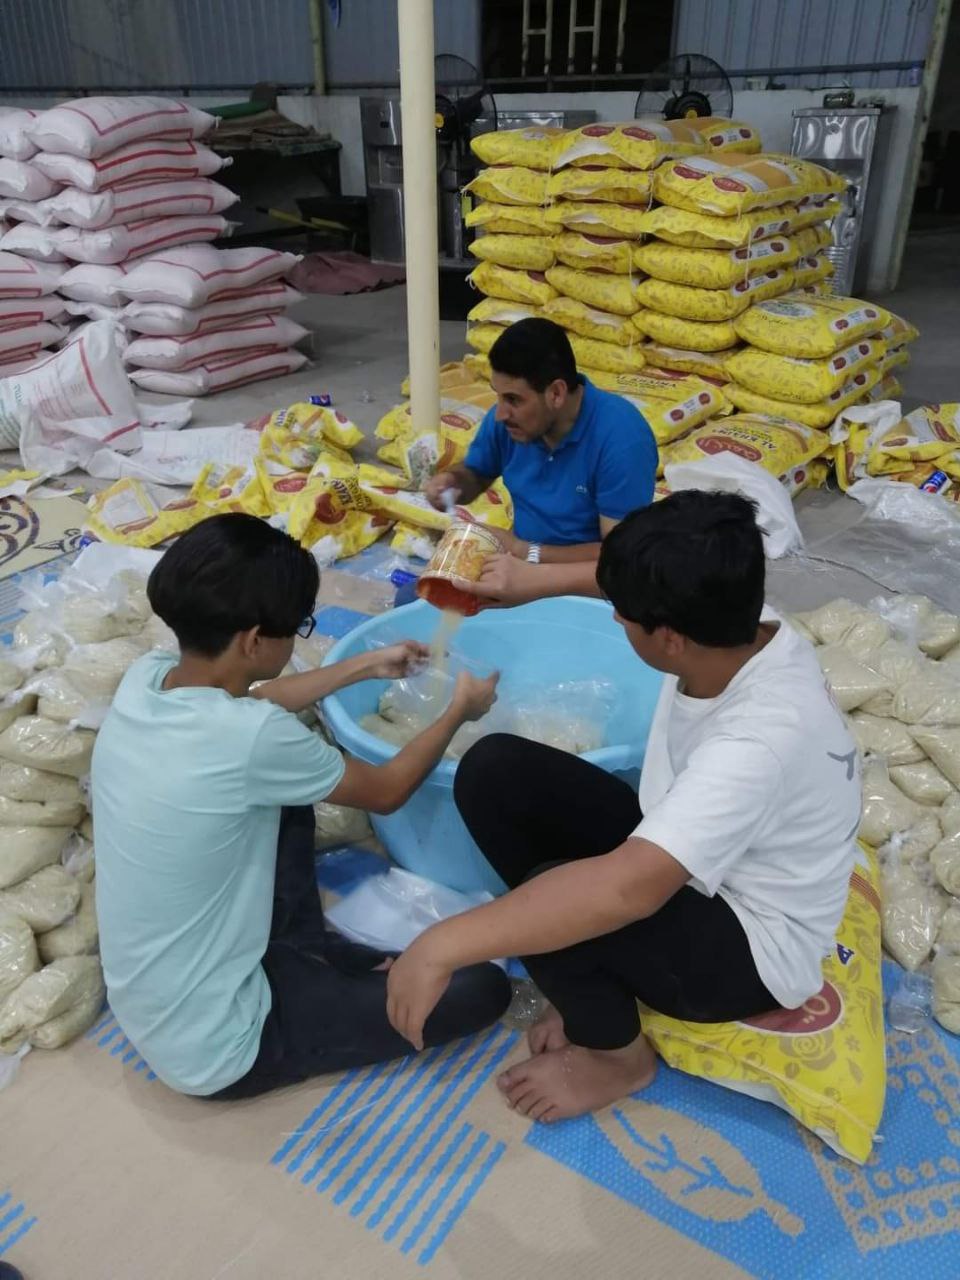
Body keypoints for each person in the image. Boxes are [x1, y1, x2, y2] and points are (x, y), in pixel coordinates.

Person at [385, 492, 861, 1123]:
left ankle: (617, 1058)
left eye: (623, 616)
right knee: (495, 770)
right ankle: (589, 988)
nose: (615, 618)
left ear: (669, 639)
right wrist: (529, 583)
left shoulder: (758, 742)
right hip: (706, 865)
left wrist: (438, 946)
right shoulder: (734, 618)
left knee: (555, 899)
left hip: (754, 945)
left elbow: (624, 891)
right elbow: (635, 583)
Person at [92, 513, 510, 1100]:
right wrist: (458, 712)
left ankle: (308, 949)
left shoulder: (151, 676)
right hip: (223, 1044)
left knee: (293, 793)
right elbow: (387, 790)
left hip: (158, 994)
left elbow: (256, 698)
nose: (298, 639)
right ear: (253, 640)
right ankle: (302, 976)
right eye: (297, 628)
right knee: (484, 988)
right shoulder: (252, 739)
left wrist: (366, 664)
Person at [424, 317, 657, 566]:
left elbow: (620, 559)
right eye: (498, 396)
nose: (500, 413)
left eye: (513, 399)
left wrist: (524, 553)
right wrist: (453, 482)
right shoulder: (508, 423)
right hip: (523, 563)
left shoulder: (622, 439)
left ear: (556, 393)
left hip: (588, 580)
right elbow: (476, 474)